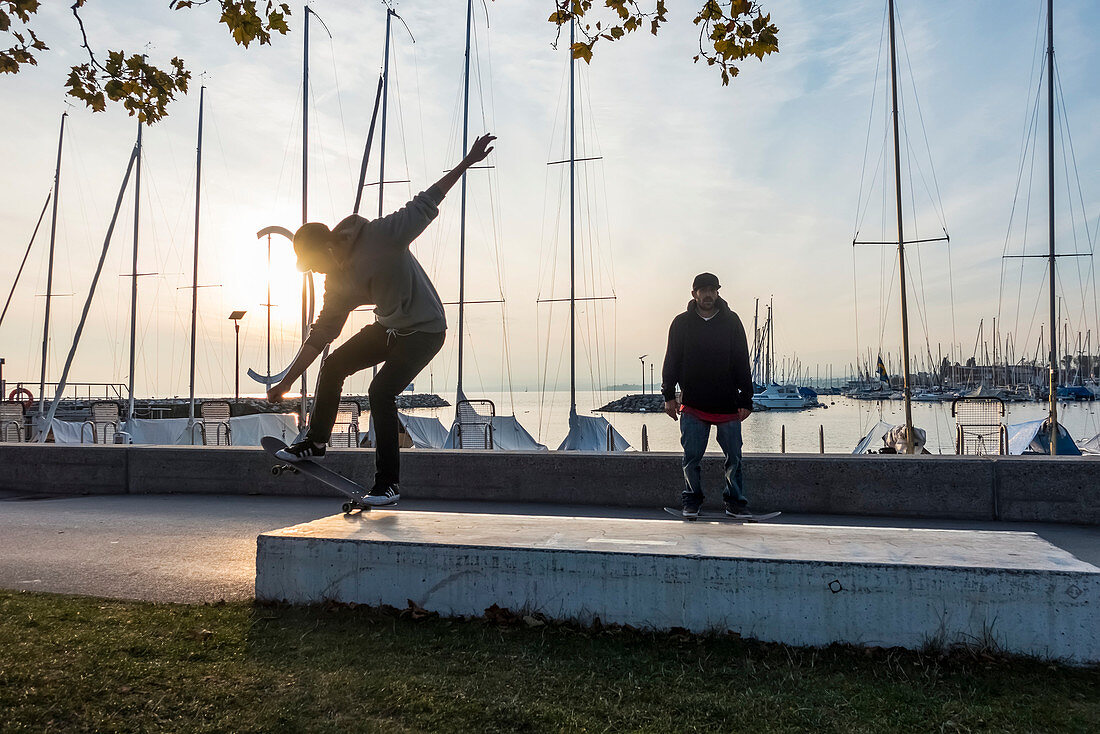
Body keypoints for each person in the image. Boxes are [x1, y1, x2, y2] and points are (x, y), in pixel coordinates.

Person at [267, 133, 497, 506]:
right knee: (335, 363)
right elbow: (321, 334)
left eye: (314, 266)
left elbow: (427, 200)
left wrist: (467, 162)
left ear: (327, 247)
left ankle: (387, 484)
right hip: (389, 328)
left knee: (380, 392)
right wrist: (287, 382)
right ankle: (317, 441)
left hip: (425, 330)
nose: (317, 274)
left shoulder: (381, 235)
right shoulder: (336, 282)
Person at [660, 273, 755, 518]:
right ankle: (692, 500)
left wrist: (746, 398)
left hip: (728, 403)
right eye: (703, 290)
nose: (708, 294)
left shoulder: (732, 321)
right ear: (694, 294)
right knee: (691, 458)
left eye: (712, 289)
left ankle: (735, 503)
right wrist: (668, 395)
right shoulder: (681, 323)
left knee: (734, 458)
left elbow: (741, 361)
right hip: (693, 402)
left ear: (718, 292)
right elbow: (671, 359)